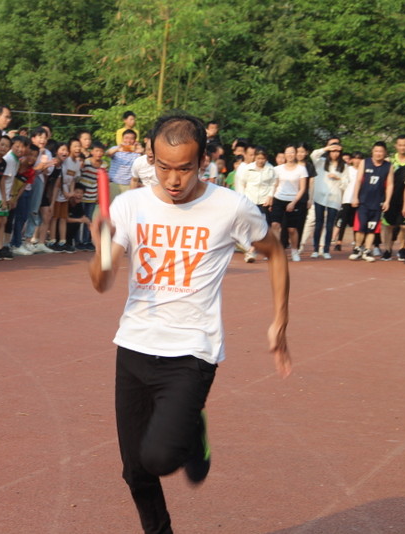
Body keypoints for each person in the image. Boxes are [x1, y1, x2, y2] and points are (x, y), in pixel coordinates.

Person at [88, 112, 291, 534]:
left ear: (203, 161)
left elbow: (275, 253)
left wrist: (280, 322)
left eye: (184, 168)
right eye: (164, 167)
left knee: (160, 458)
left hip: (192, 351)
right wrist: (100, 247)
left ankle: (193, 429)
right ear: (151, 157)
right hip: (134, 345)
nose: (173, 179)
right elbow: (102, 283)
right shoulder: (129, 206)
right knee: (135, 470)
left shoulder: (230, 206)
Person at [350, 141, 394, 262]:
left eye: (381, 151)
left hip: (378, 202)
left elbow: (390, 184)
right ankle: (358, 248)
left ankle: (367, 250)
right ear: (372, 152)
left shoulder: (388, 166)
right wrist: (355, 197)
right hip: (363, 201)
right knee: (361, 226)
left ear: (385, 153)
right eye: (376, 151)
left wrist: (387, 201)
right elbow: (358, 181)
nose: (378, 153)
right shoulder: (365, 162)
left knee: (372, 227)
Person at [235, 146, 276, 262]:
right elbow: (242, 184)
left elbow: (273, 184)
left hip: (263, 201)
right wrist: (243, 198)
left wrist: (270, 196)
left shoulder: (271, 169)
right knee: (249, 226)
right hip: (250, 201)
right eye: (258, 158)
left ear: (266, 158)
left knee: (264, 227)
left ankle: (266, 250)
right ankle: (250, 251)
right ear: (255, 158)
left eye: (262, 159)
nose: (260, 161)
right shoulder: (248, 169)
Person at [309, 141, 348, 259]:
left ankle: (326, 250)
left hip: (334, 198)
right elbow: (313, 155)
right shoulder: (321, 162)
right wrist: (326, 148)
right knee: (318, 223)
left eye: (337, 151)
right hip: (320, 196)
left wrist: (338, 178)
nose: (335, 153)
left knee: (330, 225)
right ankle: (316, 249)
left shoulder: (344, 166)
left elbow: (346, 183)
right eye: (333, 151)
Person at [270, 145, 308, 261]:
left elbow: (302, 188)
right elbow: (275, 184)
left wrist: (294, 202)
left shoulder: (301, 169)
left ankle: (294, 250)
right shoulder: (278, 169)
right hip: (278, 198)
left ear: (295, 154)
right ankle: (275, 251)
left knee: (291, 229)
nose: (290, 155)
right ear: (284, 154)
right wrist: (271, 198)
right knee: (275, 225)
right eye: (288, 152)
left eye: (292, 152)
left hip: (293, 200)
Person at [382, 135, 405, 261]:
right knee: (388, 226)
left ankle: (402, 249)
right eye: (400, 145)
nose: (402, 147)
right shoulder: (389, 161)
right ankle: (387, 250)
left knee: (404, 226)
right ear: (396, 146)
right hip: (391, 198)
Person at [77, 141, 106, 250]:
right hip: (81, 195)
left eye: (101, 151)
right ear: (92, 152)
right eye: (96, 151)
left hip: (93, 195)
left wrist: (98, 195)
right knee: (79, 217)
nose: (99, 153)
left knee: (89, 219)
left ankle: (87, 241)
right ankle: (77, 241)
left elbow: (101, 181)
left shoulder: (104, 165)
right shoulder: (86, 162)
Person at [107, 129, 142, 198]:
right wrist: (117, 149)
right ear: (122, 139)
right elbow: (107, 153)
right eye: (126, 138)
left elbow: (147, 160)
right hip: (114, 184)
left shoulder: (137, 153)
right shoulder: (116, 149)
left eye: (131, 139)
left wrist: (141, 151)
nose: (128, 141)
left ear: (135, 141)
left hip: (128, 185)